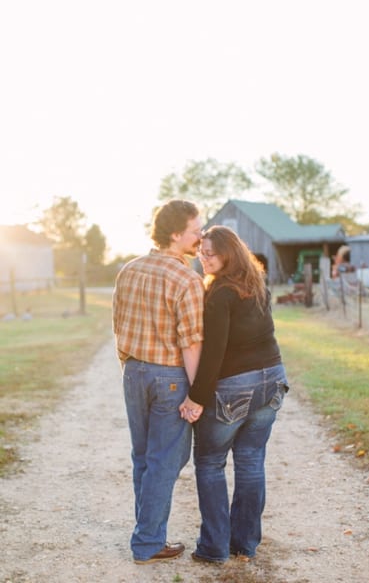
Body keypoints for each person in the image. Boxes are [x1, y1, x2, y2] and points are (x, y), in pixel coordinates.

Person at [179, 225, 288, 564]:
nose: (203, 257)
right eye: (201, 251)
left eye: (210, 252)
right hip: (273, 379)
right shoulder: (256, 284)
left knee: (210, 462)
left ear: (229, 253)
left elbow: (213, 352)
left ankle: (213, 548)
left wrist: (196, 398)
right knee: (251, 460)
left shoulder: (221, 294)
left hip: (237, 385)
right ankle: (244, 544)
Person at [112, 199, 205, 564]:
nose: (200, 236)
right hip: (169, 377)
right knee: (166, 460)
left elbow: (119, 324)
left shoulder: (129, 270)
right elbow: (192, 342)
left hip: (134, 371)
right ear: (176, 234)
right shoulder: (186, 278)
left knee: (144, 458)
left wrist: (129, 364)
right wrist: (197, 395)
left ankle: (147, 535)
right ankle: (149, 542)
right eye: (196, 230)